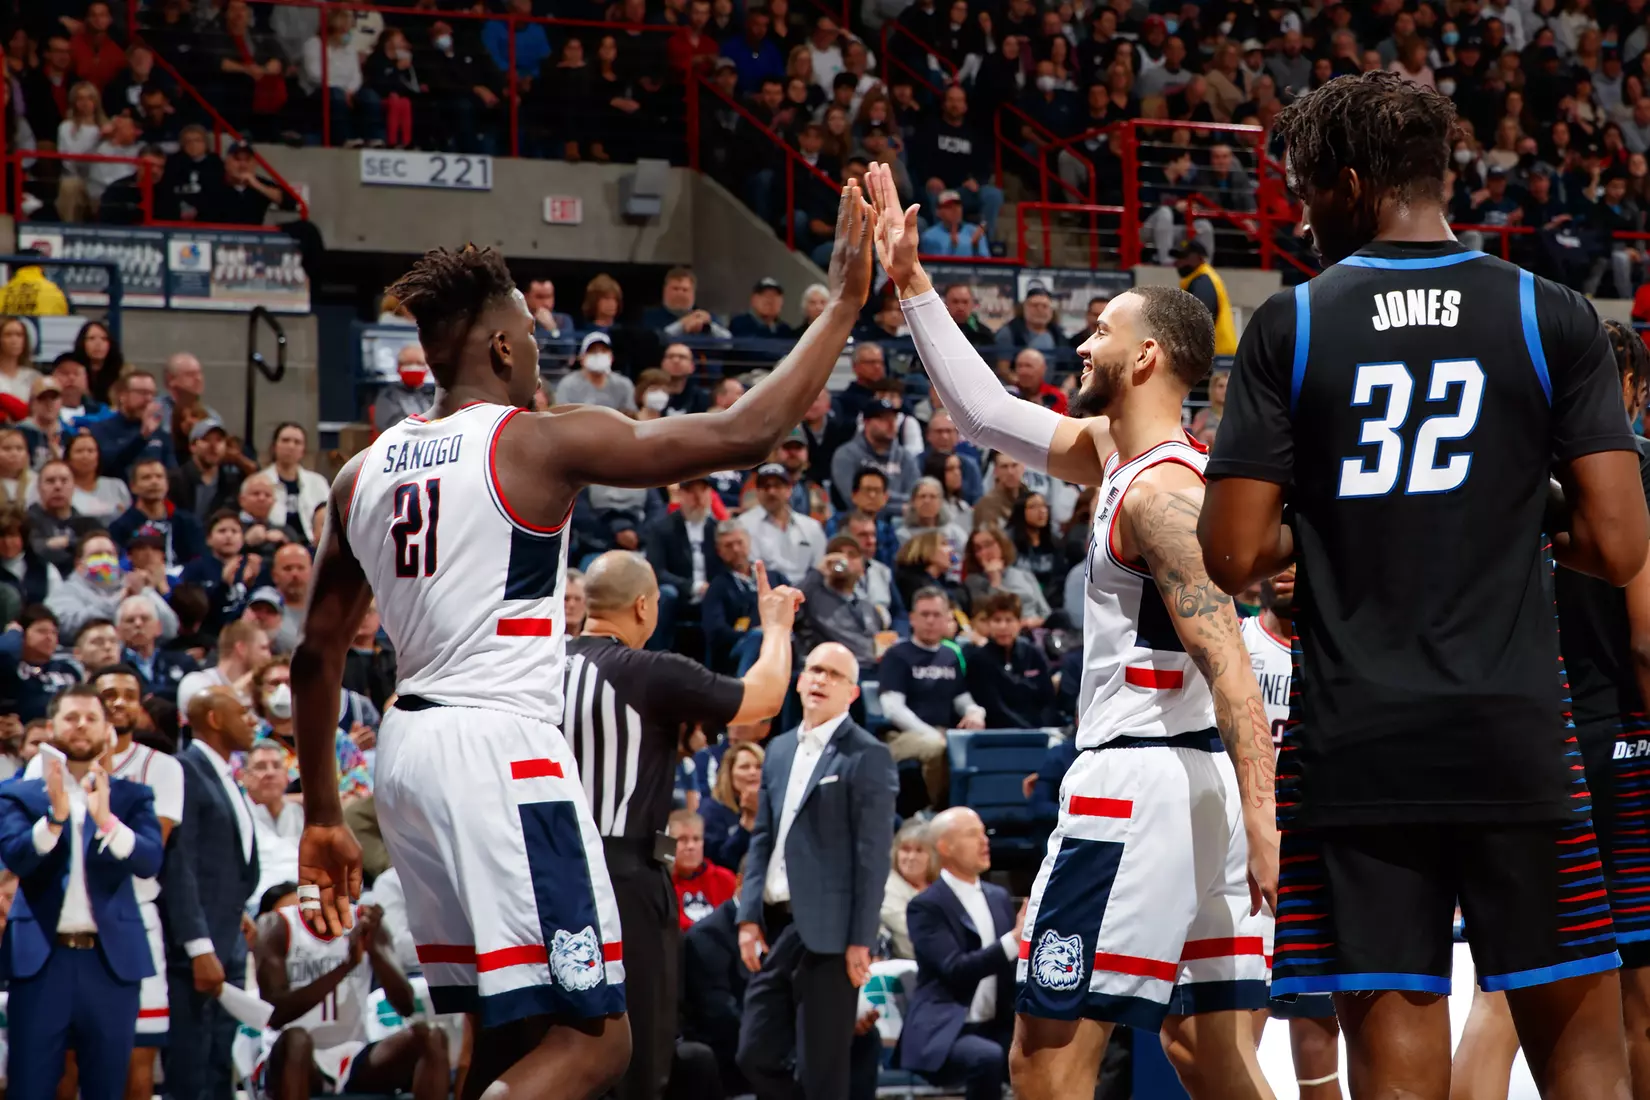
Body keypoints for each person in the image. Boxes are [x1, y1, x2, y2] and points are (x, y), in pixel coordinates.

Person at [292, 187, 873, 1100]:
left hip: (404, 754)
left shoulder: (361, 469)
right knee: (599, 1040)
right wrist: (841, 304)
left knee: (507, 1031)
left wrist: (324, 813)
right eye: (531, 336)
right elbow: (746, 432)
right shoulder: (534, 443)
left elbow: (316, 656)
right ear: (500, 347)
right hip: (500, 748)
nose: (539, 354)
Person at [1199, 70, 1648, 1100]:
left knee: (1395, 1075)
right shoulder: (1553, 313)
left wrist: (1347, 523)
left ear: (1352, 182)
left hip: (1360, 744)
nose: (1303, 216)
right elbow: (1619, 545)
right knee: (1583, 1058)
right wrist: (1503, 510)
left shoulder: (1294, 322)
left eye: (1309, 192)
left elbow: (1232, 554)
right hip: (1517, 732)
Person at [867, 161, 1278, 1099]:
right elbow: (981, 413)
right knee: (1207, 1056)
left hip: (1137, 782)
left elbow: (1227, 659)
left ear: (1146, 359)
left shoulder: (1165, 494)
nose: (1082, 345)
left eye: (1102, 331)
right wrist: (913, 283)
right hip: (1189, 784)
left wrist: (1266, 811)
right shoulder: (1110, 455)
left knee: (1047, 1056)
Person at [561, 549, 801, 1100]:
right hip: (625, 873)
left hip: (547, 874)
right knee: (641, 1051)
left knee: (562, 1045)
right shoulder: (650, 671)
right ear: (644, 606)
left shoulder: (543, 666)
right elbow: (764, 699)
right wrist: (776, 628)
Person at [735, 641, 899, 1100]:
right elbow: (762, 838)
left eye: (833, 674)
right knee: (754, 1053)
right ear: (800, 680)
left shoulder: (867, 755)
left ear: (852, 692)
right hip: (778, 924)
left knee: (823, 1073)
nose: (820, 679)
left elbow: (873, 859)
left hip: (833, 936)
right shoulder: (781, 749)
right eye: (814, 670)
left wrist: (861, 939)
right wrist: (748, 917)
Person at [0, 685, 165, 1100]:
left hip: (111, 963)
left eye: (91, 718)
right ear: (51, 725)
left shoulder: (132, 796)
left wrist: (107, 821)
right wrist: (54, 821)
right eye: (71, 717)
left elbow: (149, 861)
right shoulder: (17, 793)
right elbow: (17, 858)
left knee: (107, 1088)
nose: (80, 726)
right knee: (29, 1085)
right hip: (41, 960)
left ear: (107, 729)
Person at [1238, 567, 1340, 1100]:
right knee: (1235, 1035)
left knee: (1318, 1034)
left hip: (1312, 855)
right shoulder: (1234, 644)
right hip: (1241, 861)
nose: (1286, 570)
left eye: (1299, 555)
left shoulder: (1340, 649)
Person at [250, 890, 448, 1100]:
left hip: (352, 1056)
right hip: (294, 1058)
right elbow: (275, 1014)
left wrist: (375, 951)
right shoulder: (277, 926)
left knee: (432, 1036)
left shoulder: (365, 922)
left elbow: (406, 1006)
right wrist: (346, 966)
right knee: (297, 1040)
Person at [162, 687, 261, 1100]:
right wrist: (199, 945)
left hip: (229, 938)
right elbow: (179, 865)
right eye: (242, 711)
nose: (252, 720)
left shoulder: (223, 773)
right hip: (196, 952)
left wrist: (236, 908)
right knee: (191, 1071)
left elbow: (219, 862)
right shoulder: (185, 770)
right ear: (215, 719)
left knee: (220, 1067)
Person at [898, 807, 1023, 1100]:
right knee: (987, 1057)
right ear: (944, 846)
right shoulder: (927, 906)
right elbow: (955, 970)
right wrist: (1013, 941)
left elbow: (1011, 965)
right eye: (972, 834)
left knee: (1049, 1051)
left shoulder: (998, 897)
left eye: (984, 833)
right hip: (945, 1030)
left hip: (998, 1024)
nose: (984, 841)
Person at [878, 587, 986, 806]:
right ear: (912, 619)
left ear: (947, 619)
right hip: (899, 737)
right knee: (937, 747)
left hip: (944, 732)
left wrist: (976, 713)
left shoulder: (950, 656)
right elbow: (892, 708)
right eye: (924, 614)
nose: (930, 621)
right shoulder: (897, 655)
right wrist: (932, 734)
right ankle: (936, 809)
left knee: (979, 744)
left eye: (936, 615)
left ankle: (974, 809)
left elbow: (962, 700)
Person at [963, 591, 1056, 728]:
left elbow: (1048, 699)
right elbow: (994, 707)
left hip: (1040, 732)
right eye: (997, 620)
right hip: (1000, 734)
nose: (1003, 626)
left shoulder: (1033, 654)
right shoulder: (978, 660)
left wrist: (1044, 730)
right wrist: (1028, 732)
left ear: (1019, 623)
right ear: (989, 623)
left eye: (1009, 620)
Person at [738, 462, 828, 581]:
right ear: (757, 492)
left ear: (789, 490)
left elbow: (820, 568)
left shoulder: (811, 527)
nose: (771, 492)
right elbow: (750, 569)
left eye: (777, 486)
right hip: (764, 590)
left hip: (806, 592)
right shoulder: (744, 524)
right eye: (765, 487)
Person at [118, 593, 198, 706]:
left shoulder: (184, 661)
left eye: (145, 619)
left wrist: (154, 696)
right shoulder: (116, 666)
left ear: (158, 627)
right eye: (130, 620)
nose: (138, 624)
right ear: (118, 631)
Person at [260, 423, 329, 545]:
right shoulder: (259, 481)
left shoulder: (318, 483)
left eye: (297, 442)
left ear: (303, 450)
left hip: (313, 548)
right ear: (274, 446)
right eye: (285, 440)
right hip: (272, 547)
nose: (291, 446)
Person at [669, 808, 738, 927]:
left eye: (696, 839)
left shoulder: (725, 879)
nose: (691, 846)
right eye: (682, 839)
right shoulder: (662, 885)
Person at [881, 820, 938, 960]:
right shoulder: (887, 886)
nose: (911, 857)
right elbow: (911, 928)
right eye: (905, 850)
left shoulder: (941, 884)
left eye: (919, 851)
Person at [1174, 241, 1237, 357]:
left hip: (1215, 357)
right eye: (1176, 257)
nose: (1178, 262)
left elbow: (1199, 321)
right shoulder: (1198, 279)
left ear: (1198, 258)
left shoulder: (1203, 282)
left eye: (1183, 258)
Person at [556, 332, 637, 414]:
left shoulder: (624, 384)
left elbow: (631, 415)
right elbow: (561, 416)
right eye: (593, 351)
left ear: (611, 358)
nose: (598, 355)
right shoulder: (568, 384)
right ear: (582, 358)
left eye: (603, 351)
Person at [375, 344, 433, 432]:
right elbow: (390, 426)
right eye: (408, 363)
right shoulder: (388, 395)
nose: (414, 368)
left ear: (427, 368)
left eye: (419, 363)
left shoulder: (433, 394)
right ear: (398, 368)